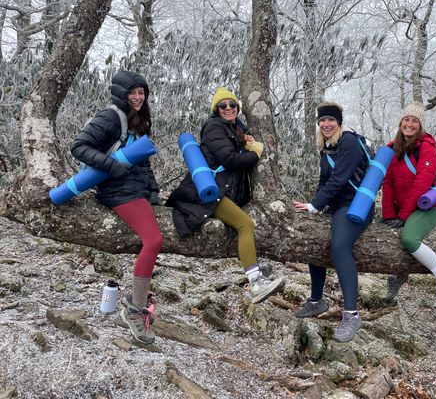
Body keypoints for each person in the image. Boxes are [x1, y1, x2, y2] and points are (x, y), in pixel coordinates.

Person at [166, 87, 284, 303]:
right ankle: (256, 282)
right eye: (223, 105)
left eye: (232, 104)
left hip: (220, 191)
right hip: (208, 193)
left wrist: (245, 142)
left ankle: (256, 269)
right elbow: (229, 160)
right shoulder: (213, 128)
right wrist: (254, 153)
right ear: (216, 109)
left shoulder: (233, 129)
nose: (228, 108)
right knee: (245, 224)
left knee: (244, 224)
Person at [71, 69, 162, 344]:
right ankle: (134, 310)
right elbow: (79, 146)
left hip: (135, 189)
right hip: (116, 190)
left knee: (155, 238)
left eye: (141, 92)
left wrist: (154, 191)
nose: (137, 97)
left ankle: (138, 301)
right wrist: (113, 167)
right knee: (154, 240)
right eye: (132, 92)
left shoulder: (139, 119)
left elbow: (143, 162)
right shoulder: (110, 116)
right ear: (121, 93)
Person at [293, 102, 373, 343]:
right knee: (312, 239)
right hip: (336, 203)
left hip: (356, 204)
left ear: (339, 122)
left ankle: (352, 315)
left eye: (331, 120)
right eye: (322, 121)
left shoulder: (348, 142)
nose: (326, 124)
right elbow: (324, 181)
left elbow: (339, 179)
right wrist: (313, 206)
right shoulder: (327, 146)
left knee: (339, 247)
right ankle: (316, 301)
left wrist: (316, 204)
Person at [381, 102, 436, 308]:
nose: (409, 124)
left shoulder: (427, 148)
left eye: (414, 121)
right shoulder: (392, 148)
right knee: (379, 227)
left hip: (427, 207)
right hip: (401, 209)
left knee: (409, 237)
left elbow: (422, 184)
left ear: (420, 125)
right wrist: (389, 215)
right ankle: (399, 273)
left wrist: (404, 216)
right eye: (406, 119)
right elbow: (387, 182)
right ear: (400, 123)